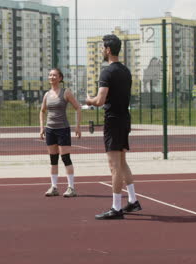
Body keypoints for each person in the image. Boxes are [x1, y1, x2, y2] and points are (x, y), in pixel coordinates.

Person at [85, 34, 142, 220]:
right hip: (125, 119)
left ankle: (116, 208)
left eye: (103, 48)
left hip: (114, 121)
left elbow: (100, 100)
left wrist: (89, 100)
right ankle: (133, 201)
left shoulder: (107, 72)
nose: (102, 50)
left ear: (108, 50)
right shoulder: (126, 71)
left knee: (114, 166)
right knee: (122, 162)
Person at [39, 68, 82, 198]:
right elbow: (42, 111)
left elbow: (78, 107)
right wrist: (42, 128)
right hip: (50, 129)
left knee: (65, 158)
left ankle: (71, 187)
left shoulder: (66, 92)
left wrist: (78, 126)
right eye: (50, 75)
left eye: (54, 75)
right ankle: (54, 187)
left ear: (60, 78)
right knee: (53, 159)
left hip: (63, 129)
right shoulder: (47, 94)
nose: (52, 77)